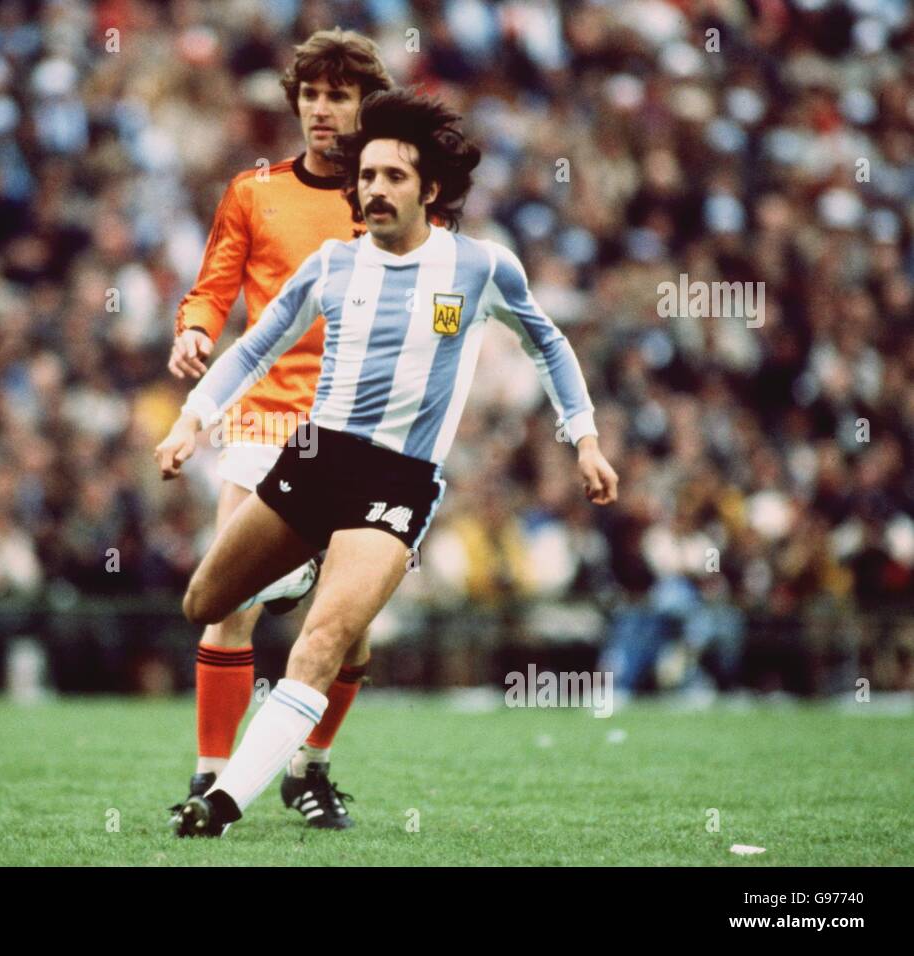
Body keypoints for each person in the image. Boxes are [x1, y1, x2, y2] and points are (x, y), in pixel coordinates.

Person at [156, 89, 620, 836]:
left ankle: (221, 802)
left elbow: (551, 344)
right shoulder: (332, 265)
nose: (374, 188)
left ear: (429, 189)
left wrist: (586, 438)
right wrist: (191, 422)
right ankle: (298, 565)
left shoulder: (479, 267)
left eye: (393, 177)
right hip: (315, 460)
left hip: (395, 482)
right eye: (366, 176)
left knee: (323, 640)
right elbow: (254, 347)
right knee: (204, 605)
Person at [165, 29, 393, 829]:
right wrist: (194, 330)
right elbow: (211, 287)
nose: (323, 110)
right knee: (233, 600)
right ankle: (210, 776)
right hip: (264, 421)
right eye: (312, 94)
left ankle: (308, 770)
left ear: (365, 103)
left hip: (360, 429)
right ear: (296, 102)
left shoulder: (388, 196)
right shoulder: (253, 191)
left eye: (339, 94)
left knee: (350, 626)